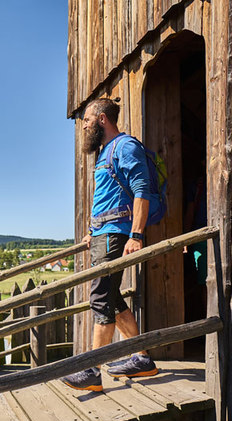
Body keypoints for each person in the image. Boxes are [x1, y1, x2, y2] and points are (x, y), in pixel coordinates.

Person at [61, 98, 159, 392]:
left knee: (101, 299)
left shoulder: (125, 146)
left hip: (117, 234)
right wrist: (94, 230)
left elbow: (141, 189)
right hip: (104, 233)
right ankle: (142, 358)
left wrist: (136, 234)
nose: (85, 125)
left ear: (102, 119)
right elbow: (108, 197)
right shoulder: (104, 153)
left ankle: (91, 370)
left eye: (88, 120)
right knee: (112, 299)